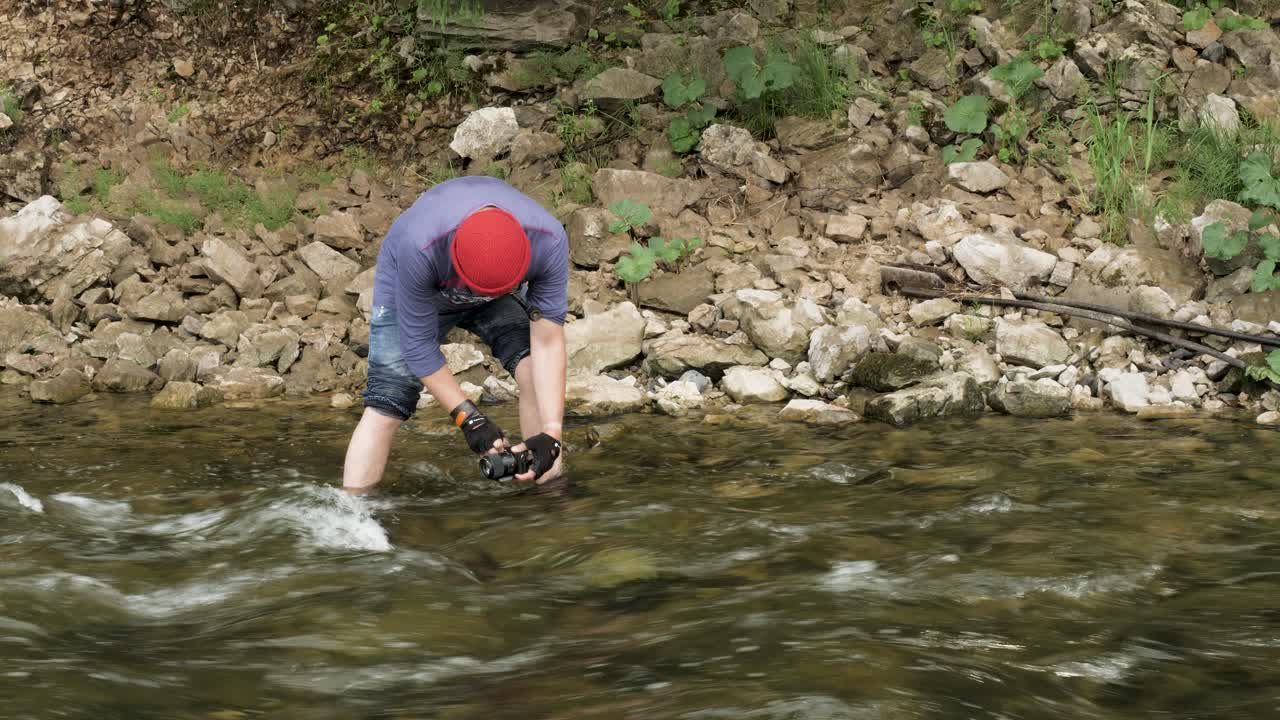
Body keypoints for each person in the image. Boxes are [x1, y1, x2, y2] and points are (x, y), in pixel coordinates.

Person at [341, 175, 569, 491]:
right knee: (386, 403)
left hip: (499, 285)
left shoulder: (549, 241)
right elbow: (418, 345)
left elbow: (546, 340)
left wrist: (552, 433)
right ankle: (355, 513)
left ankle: (546, 489)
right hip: (420, 287)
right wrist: (467, 417)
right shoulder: (419, 245)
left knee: (532, 372)